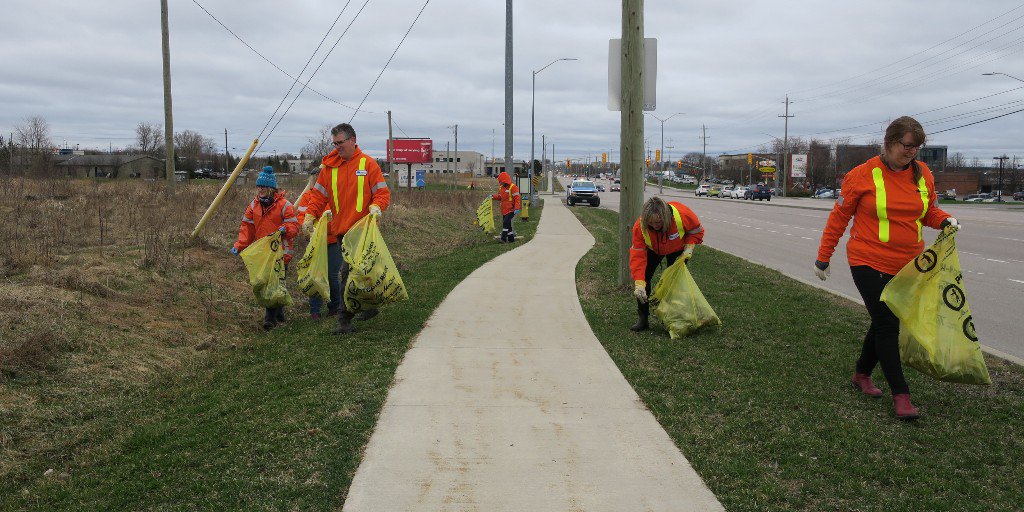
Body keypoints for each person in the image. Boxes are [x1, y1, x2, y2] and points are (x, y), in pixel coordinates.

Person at [814, 116, 959, 420]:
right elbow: (838, 218)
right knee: (887, 324)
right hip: (868, 260)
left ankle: (861, 375)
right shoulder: (861, 175)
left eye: (917, 147)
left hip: (908, 265)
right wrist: (823, 257)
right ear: (890, 142)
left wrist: (944, 219)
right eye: (907, 146)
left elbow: (928, 211)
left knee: (883, 321)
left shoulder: (923, 175)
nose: (912, 152)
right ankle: (901, 396)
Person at [297, 123, 391, 334]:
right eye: (334, 143)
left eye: (340, 143)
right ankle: (368, 306)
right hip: (341, 232)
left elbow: (382, 193)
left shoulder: (368, 165)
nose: (337, 147)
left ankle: (344, 320)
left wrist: (377, 207)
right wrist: (310, 215)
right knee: (360, 272)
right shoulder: (329, 168)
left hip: (364, 230)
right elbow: (319, 196)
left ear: (352, 140)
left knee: (348, 274)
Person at [232, 166, 299, 330]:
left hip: (281, 253)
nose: (260, 189)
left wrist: (285, 229)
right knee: (271, 283)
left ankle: (270, 318)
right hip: (264, 254)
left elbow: (294, 227)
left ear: (271, 188)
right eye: (258, 186)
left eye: (263, 186)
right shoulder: (253, 206)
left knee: (275, 284)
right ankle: (279, 312)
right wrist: (239, 245)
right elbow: (247, 228)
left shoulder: (285, 205)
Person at [629, 196, 704, 332]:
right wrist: (639, 282)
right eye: (651, 223)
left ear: (666, 216)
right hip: (653, 250)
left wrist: (689, 247)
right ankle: (643, 318)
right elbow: (638, 255)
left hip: (678, 249)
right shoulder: (639, 227)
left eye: (658, 222)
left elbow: (697, 231)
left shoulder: (683, 214)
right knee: (644, 281)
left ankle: (674, 317)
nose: (655, 226)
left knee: (675, 282)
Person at [492, 171, 521, 242]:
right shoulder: (501, 187)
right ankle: (511, 239)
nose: (499, 183)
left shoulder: (513, 187)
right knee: (508, 224)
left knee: (505, 222)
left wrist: (516, 208)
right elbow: (500, 197)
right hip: (504, 210)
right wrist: (493, 197)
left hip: (511, 209)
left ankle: (503, 238)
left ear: (504, 180)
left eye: (500, 181)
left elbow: (517, 199)